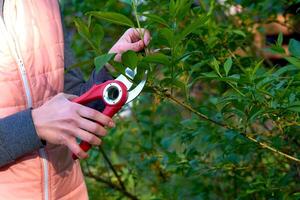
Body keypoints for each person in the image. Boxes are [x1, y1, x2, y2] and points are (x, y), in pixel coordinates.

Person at [0, 1, 150, 199]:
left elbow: (73, 101)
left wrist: (110, 69)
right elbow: (47, 120)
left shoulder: (44, 4)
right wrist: (33, 126)